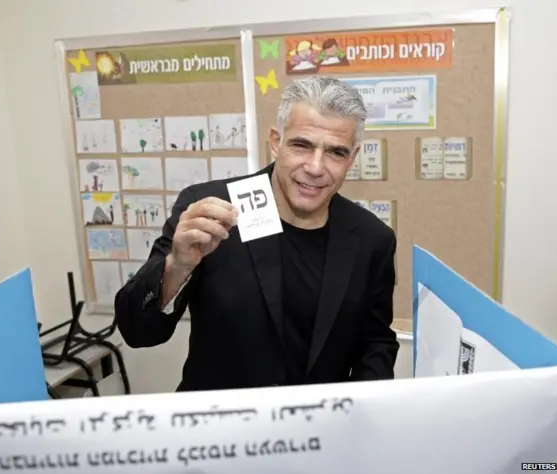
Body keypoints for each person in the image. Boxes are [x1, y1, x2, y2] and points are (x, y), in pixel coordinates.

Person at [115, 77, 399, 391]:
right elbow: (136, 331)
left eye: (335, 152)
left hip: (319, 430)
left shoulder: (373, 239)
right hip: (221, 426)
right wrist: (177, 266)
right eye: (301, 145)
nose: (316, 167)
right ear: (276, 141)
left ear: (352, 158)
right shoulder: (210, 212)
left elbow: (376, 344)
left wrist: (359, 417)